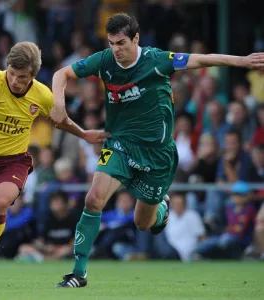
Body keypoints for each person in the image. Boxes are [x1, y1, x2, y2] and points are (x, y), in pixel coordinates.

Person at [50, 13, 264, 288]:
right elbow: (61, 74)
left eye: (122, 42)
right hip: (119, 143)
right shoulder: (104, 61)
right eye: (112, 42)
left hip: (157, 155)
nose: (116, 49)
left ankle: (160, 210)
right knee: (93, 199)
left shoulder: (156, 60)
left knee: (144, 223)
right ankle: (78, 273)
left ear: (136, 38)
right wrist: (59, 103)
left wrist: (243, 61)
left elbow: (203, 59)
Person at [0, 41, 108, 287]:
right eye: (11, 73)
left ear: (32, 75)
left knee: (0, 202)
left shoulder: (41, 94)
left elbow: (60, 120)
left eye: (21, 77)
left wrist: (83, 134)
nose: (14, 80)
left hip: (13, 161)